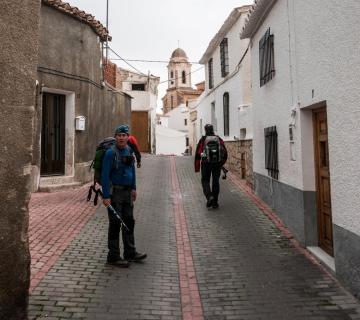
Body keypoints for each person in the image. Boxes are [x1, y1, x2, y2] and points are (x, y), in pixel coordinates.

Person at [102, 124, 147, 267]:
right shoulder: (110, 153)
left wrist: (134, 188)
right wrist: (106, 195)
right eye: (119, 135)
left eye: (124, 135)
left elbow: (132, 171)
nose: (121, 138)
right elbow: (104, 175)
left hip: (128, 193)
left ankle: (130, 252)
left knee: (129, 222)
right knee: (115, 224)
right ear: (115, 137)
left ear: (128, 137)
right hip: (115, 193)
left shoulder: (129, 150)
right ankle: (113, 256)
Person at [194, 124, 228, 209]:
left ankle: (209, 197)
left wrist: (197, 167)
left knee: (205, 180)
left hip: (206, 163)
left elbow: (198, 153)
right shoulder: (218, 139)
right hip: (217, 164)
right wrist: (221, 163)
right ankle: (215, 202)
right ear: (213, 130)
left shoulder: (203, 140)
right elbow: (225, 153)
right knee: (215, 181)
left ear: (205, 130)